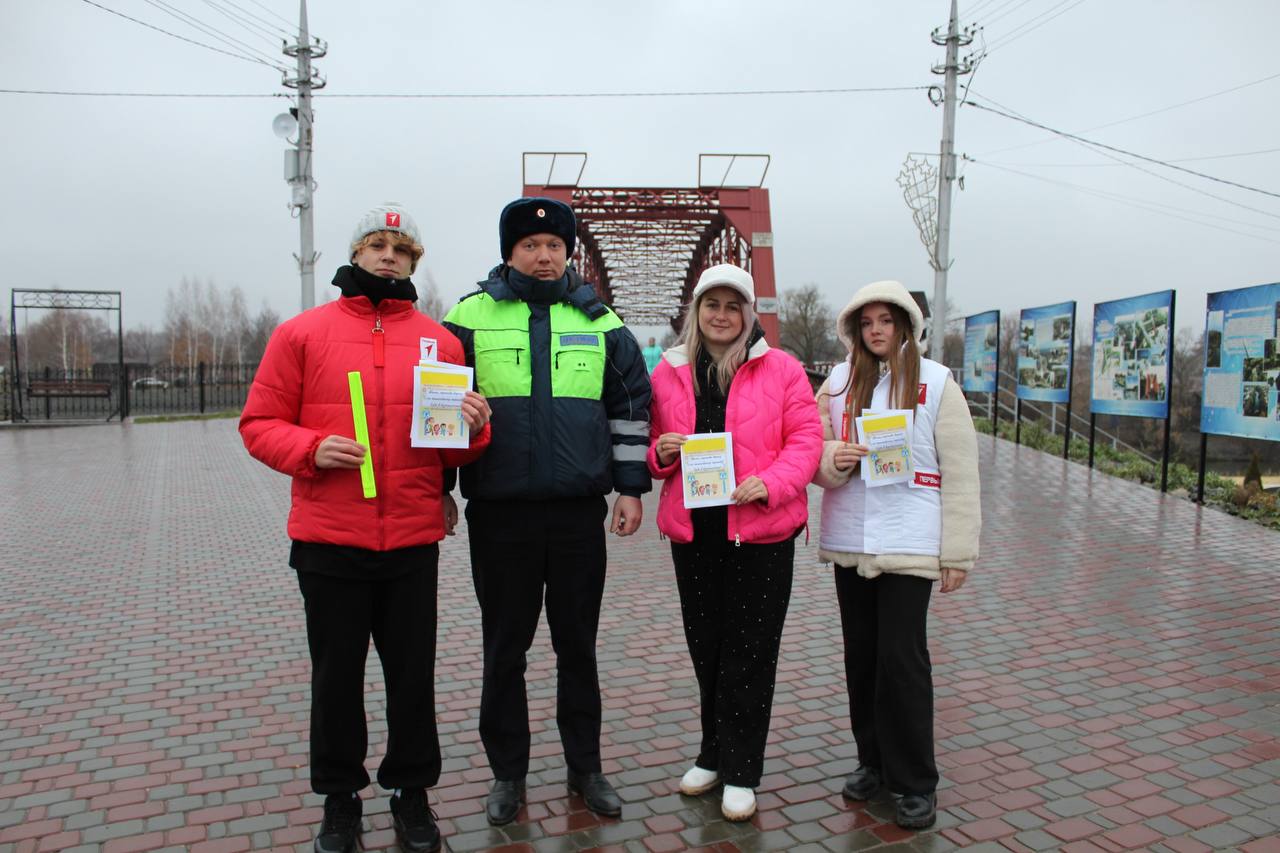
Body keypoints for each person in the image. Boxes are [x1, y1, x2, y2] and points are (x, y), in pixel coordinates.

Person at [240, 203, 492, 853]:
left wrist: (475, 423)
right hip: (329, 539)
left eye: (401, 248)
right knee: (336, 677)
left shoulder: (441, 341)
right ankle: (339, 799)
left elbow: (455, 452)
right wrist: (309, 448)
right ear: (355, 254)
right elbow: (258, 424)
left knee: (413, 677)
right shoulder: (301, 334)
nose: (388, 256)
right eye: (376, 244)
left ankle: (412, 795)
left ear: (415, 261)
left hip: (410, 540)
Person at [440, 197, 652, 826]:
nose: (542, 254)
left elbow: (631, 406)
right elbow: (438, 406)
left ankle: (586, 767)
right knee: (505, 648)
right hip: (500, 516)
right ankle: (509, 774)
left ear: (568, 252)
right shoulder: (465, 319)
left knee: (577, 647)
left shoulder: (602, 321)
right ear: (509, 251)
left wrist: (631, 488)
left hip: (576, 516)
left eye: (554, 245)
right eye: (530, 245)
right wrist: (441, 488)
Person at [647, 264, 822, 821]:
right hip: (696, 531)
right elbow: (651, 446)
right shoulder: (669, 373)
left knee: (750, 650)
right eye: (711, 305)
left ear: (748, 315)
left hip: (761, 533)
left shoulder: (784, 369)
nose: (721, 316)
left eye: (732, 306)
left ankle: (743, 769)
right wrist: (662, 454)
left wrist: (770, 483)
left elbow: (807, 440)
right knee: (707, 647)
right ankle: (713, 752)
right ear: (696, 313)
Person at [811, 280, 980, 830]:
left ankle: (915, 781)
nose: (877, 330)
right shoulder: (838, 383)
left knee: (902, 663)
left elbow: (961, 473)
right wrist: (836, 454)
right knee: (861, 658)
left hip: (910, 542)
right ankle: (872, 762)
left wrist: (957, 552)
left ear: (906, 325)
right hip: (852, 538)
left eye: (887, 320)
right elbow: (810, 450)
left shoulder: (937, 382)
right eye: (867, 322)